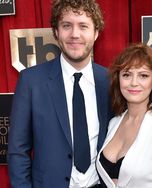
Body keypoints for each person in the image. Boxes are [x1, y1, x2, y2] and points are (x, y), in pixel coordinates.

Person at [8, 0, 113, 187]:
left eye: (83, 26)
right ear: (56, 32)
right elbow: (18, 151)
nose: (75, 34)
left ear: (96, 33)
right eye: (66, 26)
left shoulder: (111, 81)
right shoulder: (31, 81)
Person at [96, 43, 152, 188]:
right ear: (119, 80)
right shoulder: (114, 122)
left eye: (143, 75)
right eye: (127, 75)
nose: (134, 83)